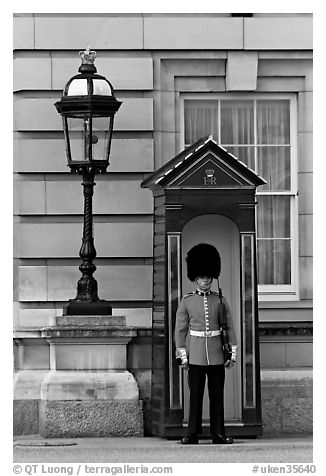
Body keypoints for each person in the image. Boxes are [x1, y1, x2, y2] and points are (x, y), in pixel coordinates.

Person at [174, 243, 237, 445]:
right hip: (196, 353)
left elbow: (229, 327)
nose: (205, 281)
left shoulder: (220, 300)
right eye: (202, 277)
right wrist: (182, 354)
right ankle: (193, 433)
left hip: (217, 352)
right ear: (195, 278)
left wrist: (232, 352)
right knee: (196, 396)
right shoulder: (186, 301)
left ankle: (218, 433)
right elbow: (181, 330)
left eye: (208, 277)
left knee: (217, 396)